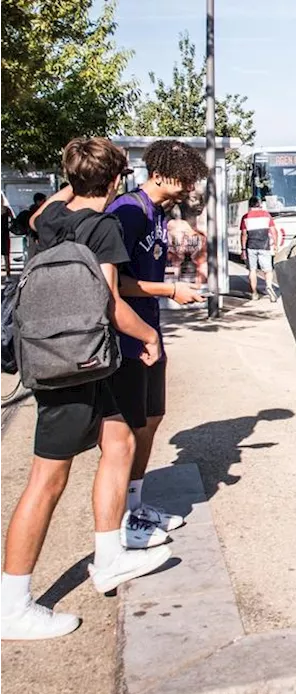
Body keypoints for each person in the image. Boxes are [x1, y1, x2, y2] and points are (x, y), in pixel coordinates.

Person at [0, 138, 166, 641]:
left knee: (119, 441)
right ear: (116, 182)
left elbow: (37, 217)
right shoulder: (105, 227)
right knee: (46, 481)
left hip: (63, 355)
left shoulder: (49, 219)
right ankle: (11, 603)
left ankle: (110, 553)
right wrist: (148, 335)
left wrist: (72, 182)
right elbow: (110, 303)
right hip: (78, 361)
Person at [104, 140, 209, 550]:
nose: (188, 187)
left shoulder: (157, 213)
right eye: (184, 179)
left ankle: (136, 506)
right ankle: (123, 521)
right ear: (161, 175)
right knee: (128, 431)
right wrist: (170, 289)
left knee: (151, 419)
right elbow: (113, 283)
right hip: (127, 338)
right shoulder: (127, 212)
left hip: (149, 332)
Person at [239, 196, 280, 302]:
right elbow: (273, 231)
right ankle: (269, 286)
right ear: (259, 204)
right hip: (264, 246)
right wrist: (275, 245)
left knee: (252, 270)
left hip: (251, 246)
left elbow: (244, 235)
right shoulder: (266, 215)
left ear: (249, 205)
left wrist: (243, 250)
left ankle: (254, 293)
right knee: (268, 270)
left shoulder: (246, 217)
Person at [0, 193, 13, 277]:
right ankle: (8, 275)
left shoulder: (7, 209)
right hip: (5, 234)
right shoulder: (7, 209)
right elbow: (12, 219)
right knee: (7, 255)